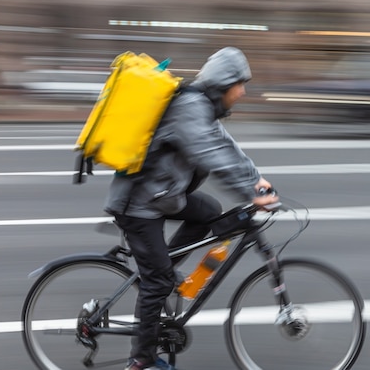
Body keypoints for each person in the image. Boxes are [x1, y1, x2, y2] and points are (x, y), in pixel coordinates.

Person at [104, 46, 279, 370]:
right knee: (155, 281)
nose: (243, 92)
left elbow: (225, 145)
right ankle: (141, 359)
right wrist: (248, 193)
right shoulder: (189, 107)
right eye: (239, 84)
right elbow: (208, 154)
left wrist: (256, 179)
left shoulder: (203, 107)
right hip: (139, 205)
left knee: (210, 210)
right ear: (224, 84)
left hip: (161, 196)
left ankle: (165, 270)